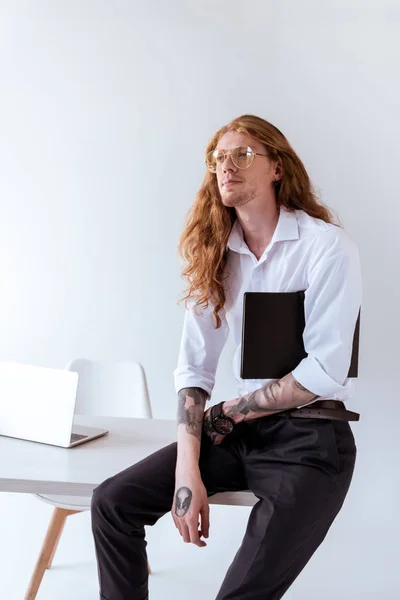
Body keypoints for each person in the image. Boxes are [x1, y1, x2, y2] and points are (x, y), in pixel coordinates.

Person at [91, 114, 362, 600]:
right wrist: (186, 469)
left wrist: (232, 411)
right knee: (112, 502)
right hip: (241, 435)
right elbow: (194, 370)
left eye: (242, 155)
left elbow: (323, 371)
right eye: (218, 158)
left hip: (312, 441)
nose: (226, 167)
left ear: (276, 168)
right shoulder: (216, 255)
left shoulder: (326, 248)